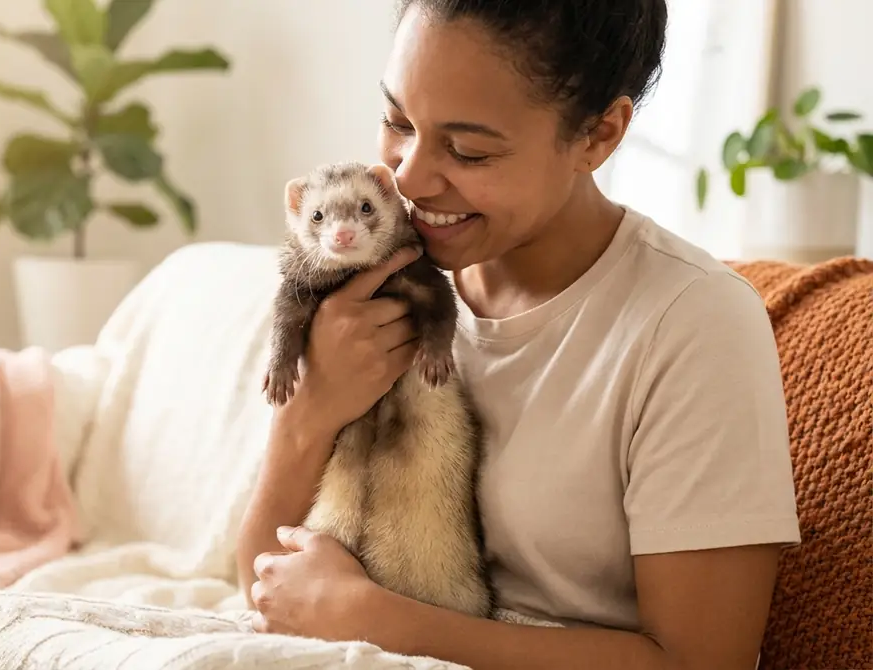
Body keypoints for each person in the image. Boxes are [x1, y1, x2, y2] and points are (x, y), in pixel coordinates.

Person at [235, 1, 802, 668]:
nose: (408, 178)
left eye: (468, 149)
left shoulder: (691, 325)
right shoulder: (368, 287)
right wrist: (307, 415)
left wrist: (378, 621)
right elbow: (263, 583)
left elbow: (704, 661)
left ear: (598, 135)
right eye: (397, 121)